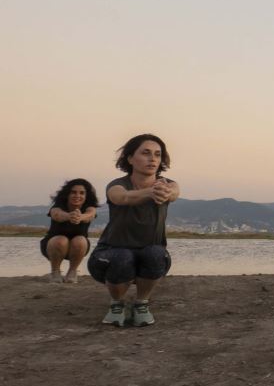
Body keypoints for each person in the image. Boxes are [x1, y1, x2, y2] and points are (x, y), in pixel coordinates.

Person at [87, 134, 179, 327]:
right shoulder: (117, 185)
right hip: (108, 255)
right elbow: (123, 198)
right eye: (145, 153)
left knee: (155, 253)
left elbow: (174, 192)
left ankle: (141, 304)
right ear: (130, 158)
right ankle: (117, 304)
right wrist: (151, 192)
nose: (152, 159)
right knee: (122, 256)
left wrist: (167, 191)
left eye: (157, 154)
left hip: (150, 255)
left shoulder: (168, 184)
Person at [42, 178, 100, 283]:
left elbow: (90, 215)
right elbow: (56, 214)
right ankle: (55, 272)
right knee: (61, 240)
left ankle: (72, 272)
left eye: (82, 193)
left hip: (79, 247)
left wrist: (80, 217)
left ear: (86, 196)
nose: (77, 196)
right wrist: (69, 216)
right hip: (53, 245)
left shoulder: (89, 208)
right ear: (67, 194)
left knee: (80, 240)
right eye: (73, 192)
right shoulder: (58, 206)